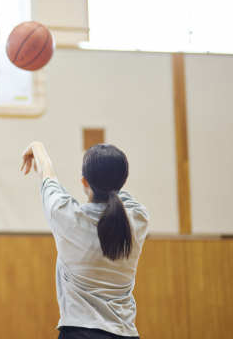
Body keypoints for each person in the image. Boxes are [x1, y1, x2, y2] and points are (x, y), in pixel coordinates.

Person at [21, 142, 149, 339]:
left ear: (84, 181)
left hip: (78, 333)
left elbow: (49, 177)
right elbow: (117, 192)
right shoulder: (138, 219)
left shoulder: (66, 216)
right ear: (123, 181)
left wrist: (37, 147)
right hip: (125, 334)